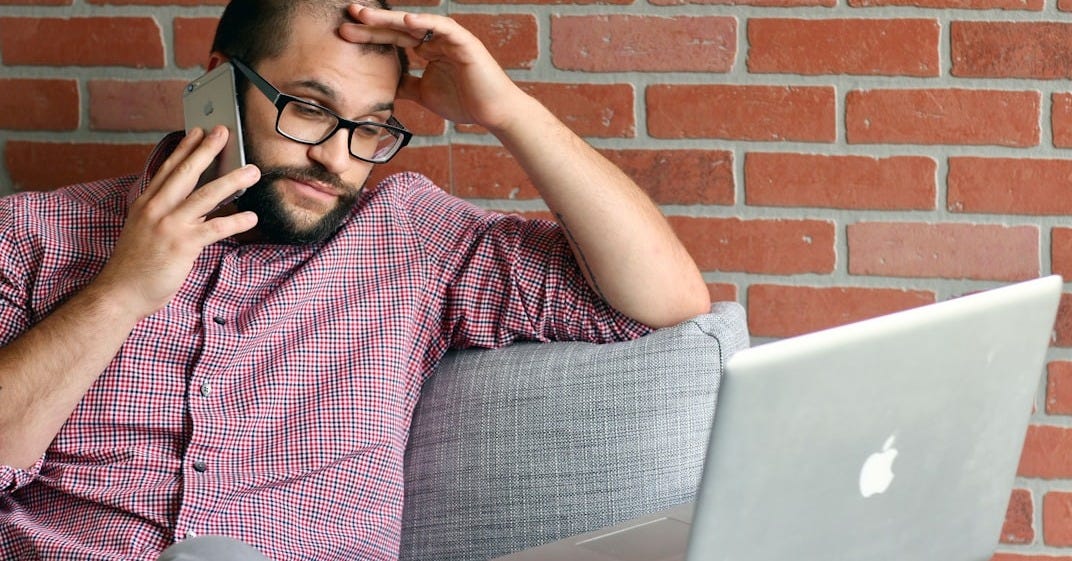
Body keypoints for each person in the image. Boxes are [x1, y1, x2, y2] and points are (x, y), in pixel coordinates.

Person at [0, 0, 710, 559]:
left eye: (370, 128)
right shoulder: (33, 235)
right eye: (308, 110)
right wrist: (122, 291)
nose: (338, 160)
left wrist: (507, 111)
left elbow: (663, 298)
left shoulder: (410, 239)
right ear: (219, 81)